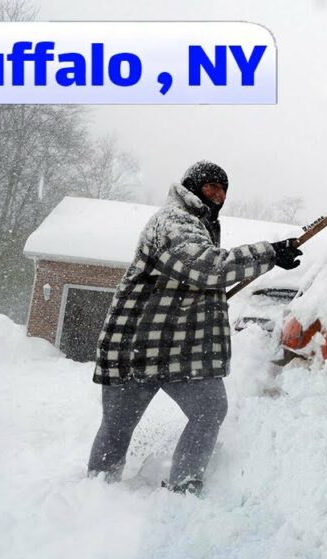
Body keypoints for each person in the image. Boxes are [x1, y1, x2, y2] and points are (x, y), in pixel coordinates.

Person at [88, 160, 303, 495]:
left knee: (210, 409)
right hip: (136, 347)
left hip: (177, 349)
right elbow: (201, 266)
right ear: (192, 186)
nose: (218, 194)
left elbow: (199, 277)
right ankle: (95, 491)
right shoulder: (172, 220)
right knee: (118, 427)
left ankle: (184, 485)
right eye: (211, 187)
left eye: (223, 189)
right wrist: (269, 253)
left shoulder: (201, 226)